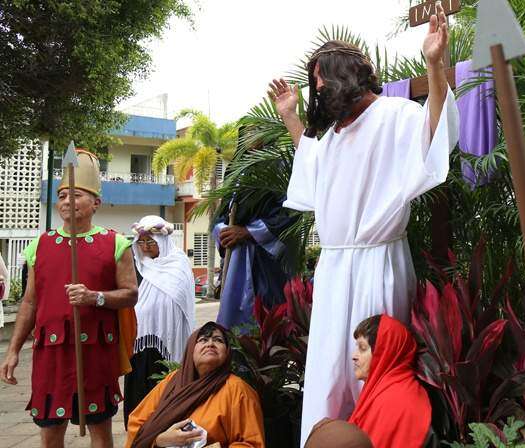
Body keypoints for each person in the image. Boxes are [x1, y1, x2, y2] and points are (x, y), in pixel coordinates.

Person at [269, 4, 459, 443]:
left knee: (375, 368)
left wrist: (434, 66)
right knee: (329, 371)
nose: (319, 92)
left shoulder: (394, 115)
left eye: (323, 82)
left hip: (378, 262)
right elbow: (312, 170)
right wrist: (291, 116)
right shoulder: (333, 136)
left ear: (347, 75)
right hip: (334, 269)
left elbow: (434, 137)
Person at [0, 149, 138, 447]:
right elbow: (29, 303)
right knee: (50, 432)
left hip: (96, 351)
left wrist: (94, 297)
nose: (66, 201)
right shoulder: (40, 244)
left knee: (100, 431)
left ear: (95, 203)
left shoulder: (116, 243)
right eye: (62, 196)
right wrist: (12, 351)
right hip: (51, 353)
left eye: (76, 195)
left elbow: (130, 294)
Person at [126, 321, 265, 448]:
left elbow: (251, 443)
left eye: (218, 340)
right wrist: (159, 440)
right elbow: (136, 423)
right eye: (203, 340)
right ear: (191, 350)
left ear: (227, 353)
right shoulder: (173, 382)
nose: (210, 344)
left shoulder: (238, 390)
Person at [124, 215, 196, 426]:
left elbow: (183, 305)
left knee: (164, 396)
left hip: (168, 345)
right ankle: (138, 434)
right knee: (138, 399)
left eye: (151, 241)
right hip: (139, 346)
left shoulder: (178, 265)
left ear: (162, 241)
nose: (145, 247)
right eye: (141, 242)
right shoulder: (137, 267)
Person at [213, 188, 298, 329]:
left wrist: (249, 232)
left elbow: (291, 214)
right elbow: (219, 218)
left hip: (267, 267)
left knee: (271, 323)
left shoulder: (276, 177)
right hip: (235, 261)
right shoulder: (233, 178)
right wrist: (224, 231)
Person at [348, 315, 432, 448]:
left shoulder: (397, 400)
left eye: (362, 348)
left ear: (385, 352)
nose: (354, 356)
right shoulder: (381, 389)